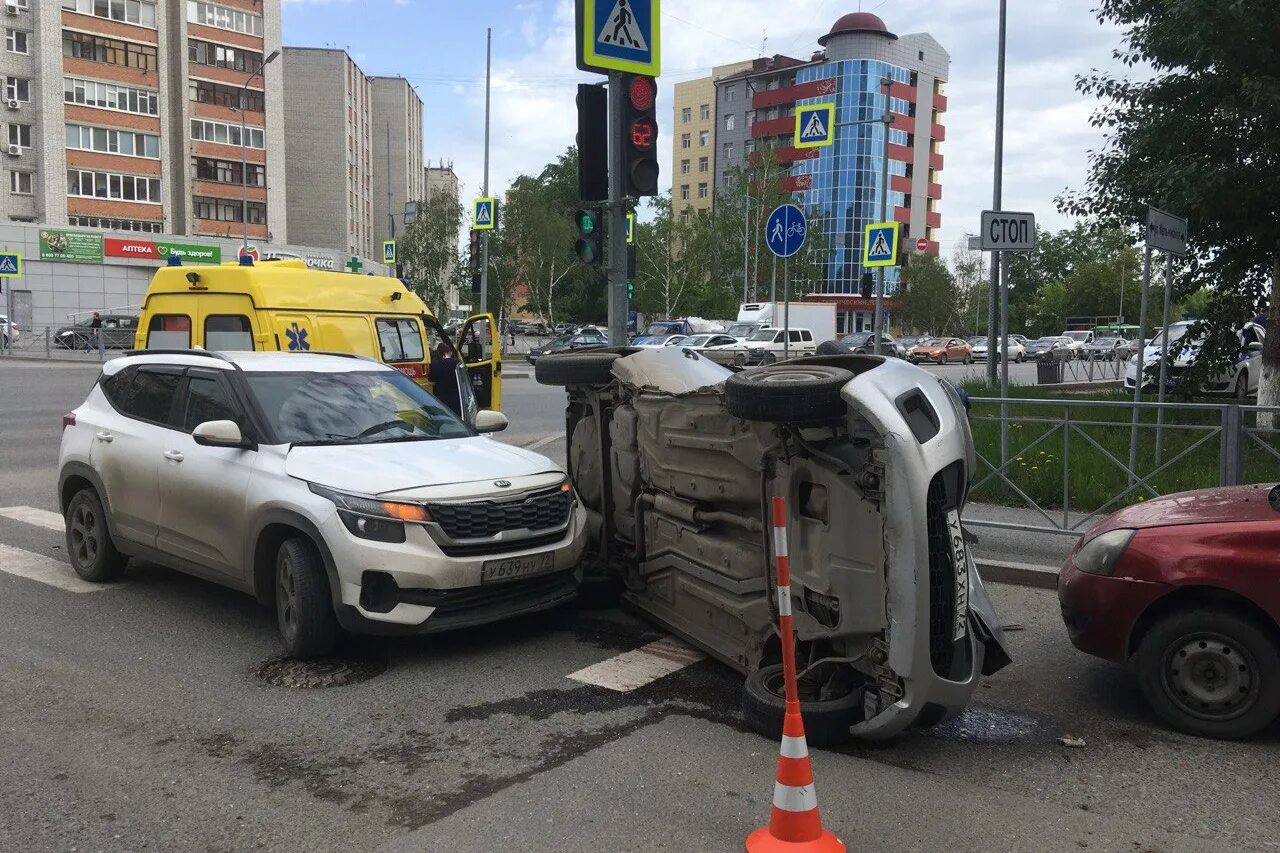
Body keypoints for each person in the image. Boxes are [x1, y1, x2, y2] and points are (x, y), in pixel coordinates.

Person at [428, 342, 464, 418]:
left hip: (440, 397)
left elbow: (431, 380)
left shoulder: (434, 364)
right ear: (449, 352)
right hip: (456, 397)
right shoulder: (457, 363)